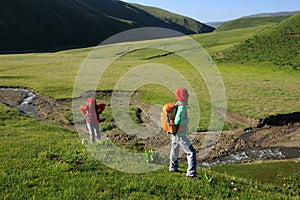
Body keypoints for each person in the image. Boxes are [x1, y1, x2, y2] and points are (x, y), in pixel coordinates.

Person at [169, 88, 197, 178]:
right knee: (191, 152)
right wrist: (185, 122)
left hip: (174, 133)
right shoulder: (182, 107)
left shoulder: (177, 105)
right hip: (180, 135)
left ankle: (173, 168)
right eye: (187, 95)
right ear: (184, 97)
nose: (188, 97)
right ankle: (191, 174)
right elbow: (177, 121)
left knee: (174, 150)